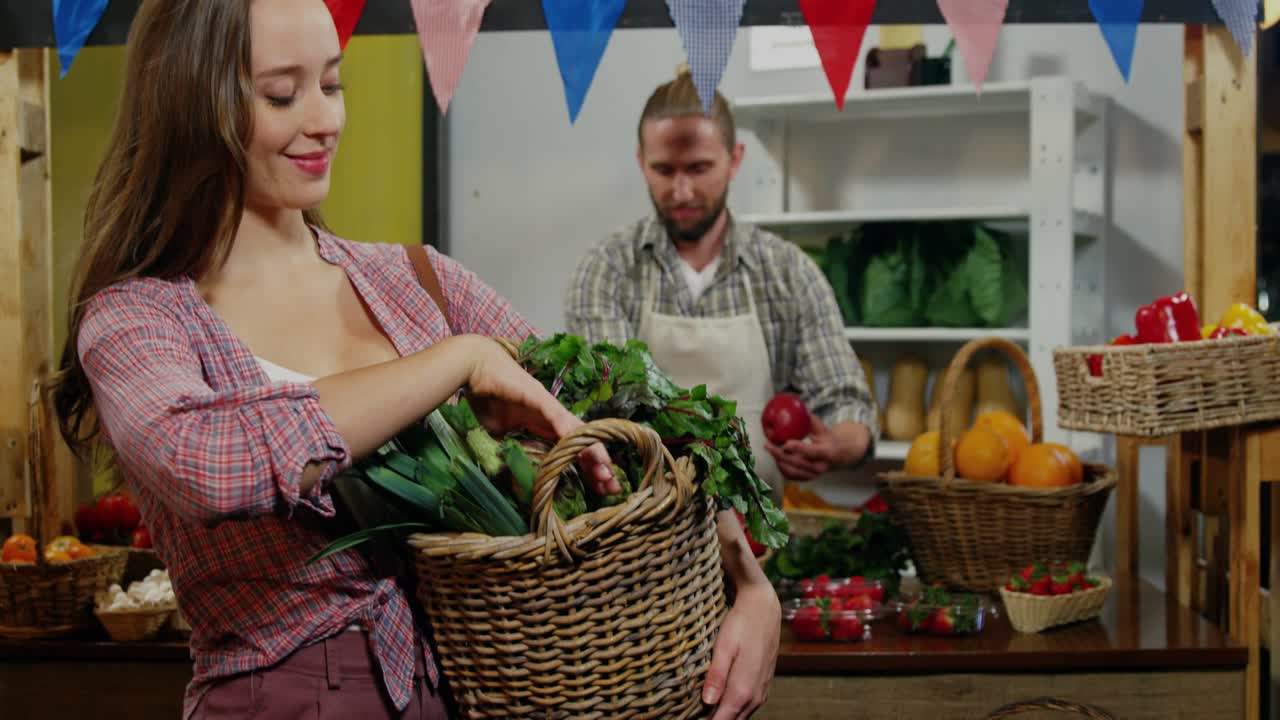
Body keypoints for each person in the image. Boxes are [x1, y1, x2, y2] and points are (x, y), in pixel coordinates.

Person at [49, 1, 776, 718]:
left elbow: (615, 419)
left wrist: (748, 585)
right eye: (282, 93)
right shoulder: (138, 319)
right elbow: (206, 464)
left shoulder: (418, 282)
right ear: (191, 104)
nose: (325, 119)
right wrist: (455, 362)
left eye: (331, 84)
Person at [565, 66, 880, 504]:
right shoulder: (608, 269)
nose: (681, 190)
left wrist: (838, 444)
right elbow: (607, 406)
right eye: (664, 169)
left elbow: (845, 401)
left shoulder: (787, 272)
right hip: (641, 537)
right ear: (641, 161)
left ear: (735, 159)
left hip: (759, 533)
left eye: (699, 168)